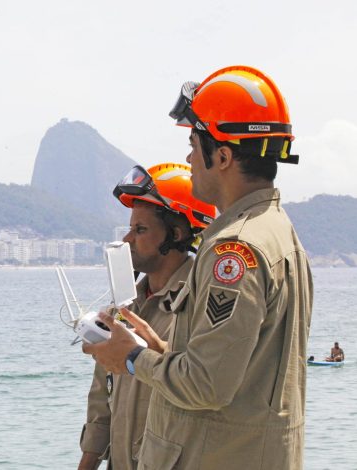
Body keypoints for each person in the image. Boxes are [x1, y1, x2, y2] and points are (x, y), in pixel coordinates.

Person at [84, 65, 313, 469]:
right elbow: (244, 373)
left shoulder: (234, 250)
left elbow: (208, 385)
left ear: (222, 156)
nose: (189, 158)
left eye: (194, 143)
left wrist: (134, 359)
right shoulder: (281, 235)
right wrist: (161, 351)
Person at [79, 163, 216, 470]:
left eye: (140, 230)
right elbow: (103, 402)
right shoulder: (124, 309)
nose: (128, 239)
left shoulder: (201, 305)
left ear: (175, 234)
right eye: (130, 228)